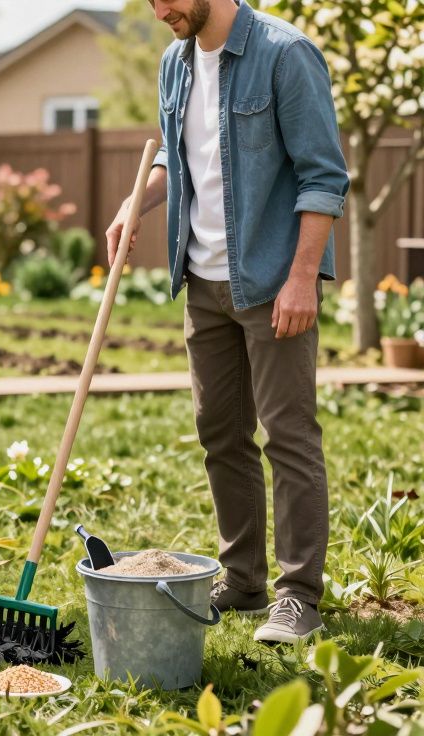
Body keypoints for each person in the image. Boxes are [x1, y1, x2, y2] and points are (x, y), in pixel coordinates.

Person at [105, 0, 348, 643]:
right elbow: (172, 157)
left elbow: (324, 176)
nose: (161, 11)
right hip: (203, 281)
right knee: (220, 433)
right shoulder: (174, 61)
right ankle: (242, 577)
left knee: (288, 436)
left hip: (271, 282)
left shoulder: (284, 53)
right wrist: (136, 207)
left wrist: (302, 279)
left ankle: (299, 596)